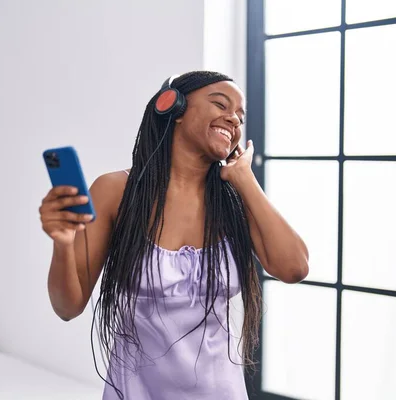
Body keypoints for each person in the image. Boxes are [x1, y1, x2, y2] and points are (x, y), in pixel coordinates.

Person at [39, 71, 309, 400]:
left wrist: (244, 179)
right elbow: (68, 307)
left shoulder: (236, 200)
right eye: (221, 104)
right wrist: (63, 243)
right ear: (173, 108)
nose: (233, 119)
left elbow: (295, 268)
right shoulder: (115, 191)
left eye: (240, 115)